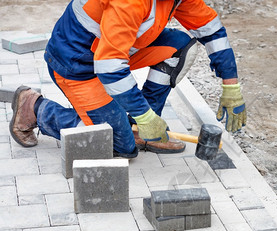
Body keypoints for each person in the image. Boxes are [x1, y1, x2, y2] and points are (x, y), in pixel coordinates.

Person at [9, 0, 246, 158]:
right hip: (76, 64)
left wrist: (231, 84)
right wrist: (145, 115)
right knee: (118, 145)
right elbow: (110, 68)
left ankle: (141, 128)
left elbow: (212, 31)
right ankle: (35, 108)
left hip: (108, 54)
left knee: (180, 47)